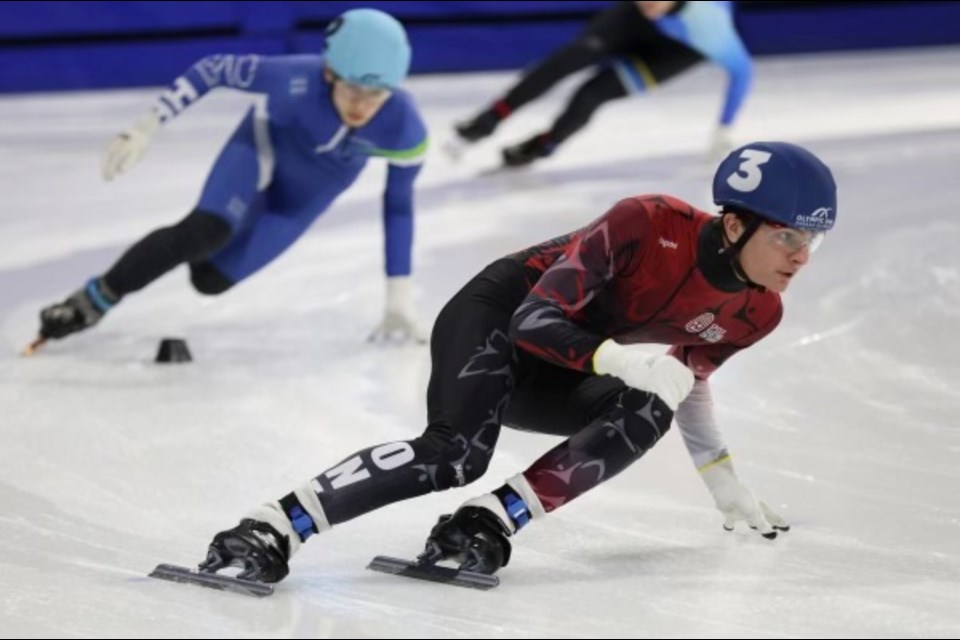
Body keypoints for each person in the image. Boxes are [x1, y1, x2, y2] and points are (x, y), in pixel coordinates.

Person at [199, 141, 836, 583]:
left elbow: (681, 382)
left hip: (568, 363)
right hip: (497, 316)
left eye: (812, 240)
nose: (801, 256)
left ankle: (486, 521)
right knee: (454, 454)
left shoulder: (758, 312)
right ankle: (272, 526)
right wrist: (622, 360)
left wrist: (720, 476)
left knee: (649, 408)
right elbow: (534, 320)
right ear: (733, 225)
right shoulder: (647, 222)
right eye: (787, 235)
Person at [33, 8, 429, 351]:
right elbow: (213, 69)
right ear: (329, 74)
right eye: (353, 89)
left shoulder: (406, 129)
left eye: (376, 94)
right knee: (204, 232)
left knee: (209, 280)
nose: (361, 106)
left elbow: (398, 204)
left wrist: (399, 291)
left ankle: (215, 235)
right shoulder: (295, 78)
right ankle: (93, 299)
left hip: (302, 198)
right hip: (260, 151)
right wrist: (147, 124)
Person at [451, 1, 752, 167]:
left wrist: (724, 127)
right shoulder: (642, 6)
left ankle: (543, 145)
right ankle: (486, 121)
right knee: (565, 61)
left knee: (592, 93)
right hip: (633, 21)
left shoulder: (711, 28)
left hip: (676, 50)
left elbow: (743, 72)